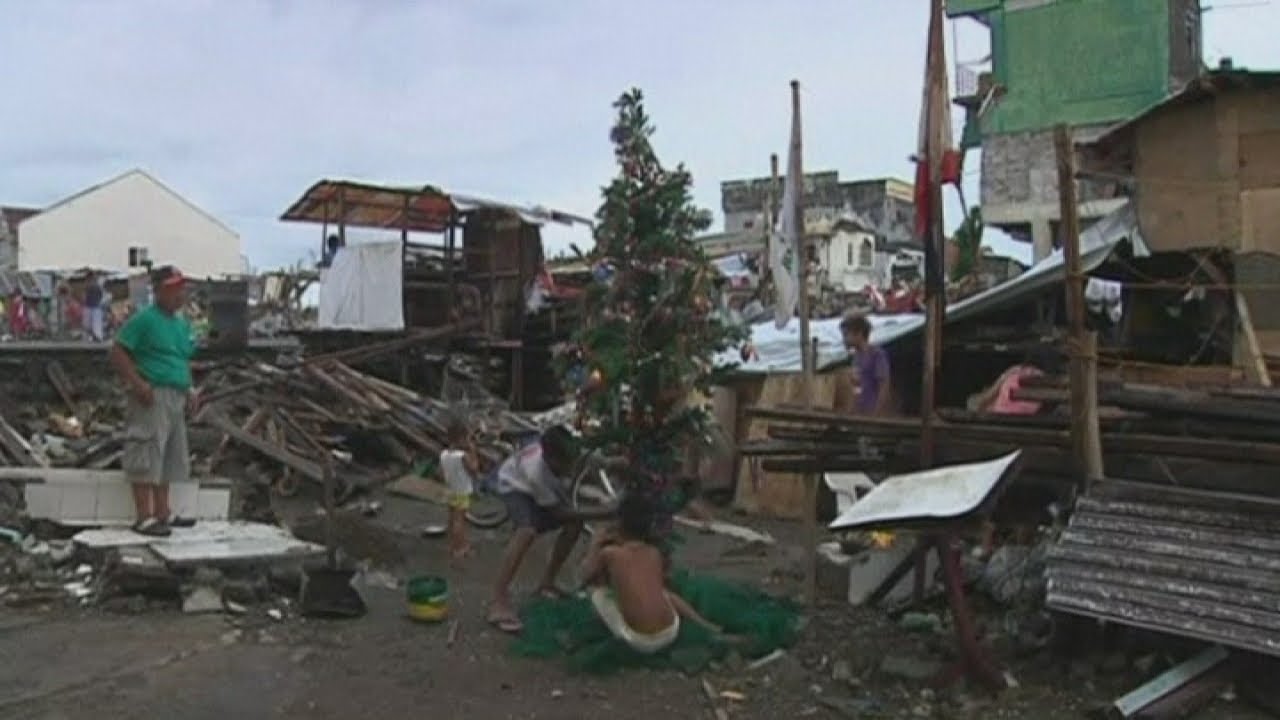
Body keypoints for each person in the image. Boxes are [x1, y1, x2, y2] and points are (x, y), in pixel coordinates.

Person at [109, 266, 199, 537]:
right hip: (153, 392)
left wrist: (190, 389)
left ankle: (163, 511)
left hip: (176, 393)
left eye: (181, 289)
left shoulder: (181, 325)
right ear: (158, 291)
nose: (179, 295)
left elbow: (181, 358)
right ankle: (143, 516)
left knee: (171, 454)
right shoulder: (144, 320)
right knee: (147, 450)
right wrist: (138, 384)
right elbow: (118, 350)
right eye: (173, 289)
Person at [579, 491, 724, 654]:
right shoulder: (654, 552)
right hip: (671, 631)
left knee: (596, 593)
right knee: (663, 593)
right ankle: (706, 626)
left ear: (619, 524)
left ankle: (605, 629)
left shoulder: (610, 554)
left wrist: (595, 543)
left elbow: (584, 576)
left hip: (640, 641)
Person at [487, 426, 599, 634]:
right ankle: (498, 600)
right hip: (513, 485)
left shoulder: (565, 453)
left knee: (576, 524)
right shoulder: (536, 472)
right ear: (549, 458)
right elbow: (561, 513)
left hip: (535, 484)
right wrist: (606, 512)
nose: (569, 467)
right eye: (565, 464)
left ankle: (547, 582)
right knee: (526, 531)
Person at [836, 312, 892, 416]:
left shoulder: (877, 355)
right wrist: (853, 408)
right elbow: (857, 388)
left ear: (859, 333)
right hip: (861, 414)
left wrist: (876, 414)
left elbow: (884, 387)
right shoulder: (856, 358)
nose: (844, 339)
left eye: (846, 335)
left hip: (874, 414)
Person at [440, 418, 480, 563]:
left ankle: (452, 545)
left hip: (450, 490)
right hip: (462, 491)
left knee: (451, 519)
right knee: (460, 521)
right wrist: (473, 452)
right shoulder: (462, 456)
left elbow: (442, 473)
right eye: (467, 438)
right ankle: (460, 548)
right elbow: (474, 469)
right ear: (461, 439)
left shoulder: (444, 454)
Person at [83, 271, 106, 341]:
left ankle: (95, 336)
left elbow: (100, 295)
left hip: (93, 306)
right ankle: (96, 336)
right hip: (93, 306)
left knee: (92, 323)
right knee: (92, 324)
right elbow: (101, 295)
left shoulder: (91, 285)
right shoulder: (95, 285)